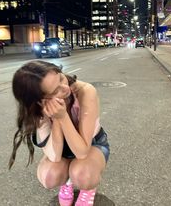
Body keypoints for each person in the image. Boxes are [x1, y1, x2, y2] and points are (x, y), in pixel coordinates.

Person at [9, 61, 110, 206]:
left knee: (83, 175)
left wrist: (63, 116)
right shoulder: (38, 108)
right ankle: (67, 182)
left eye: (61, 78)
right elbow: (55, 156)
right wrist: (56, 119)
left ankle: (88, 189)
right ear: (40, 100)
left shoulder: (85, 91)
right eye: (55, 91)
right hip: (63, 150)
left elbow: (82, 152)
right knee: (49, 176)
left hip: (93, 145)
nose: (65, 88)